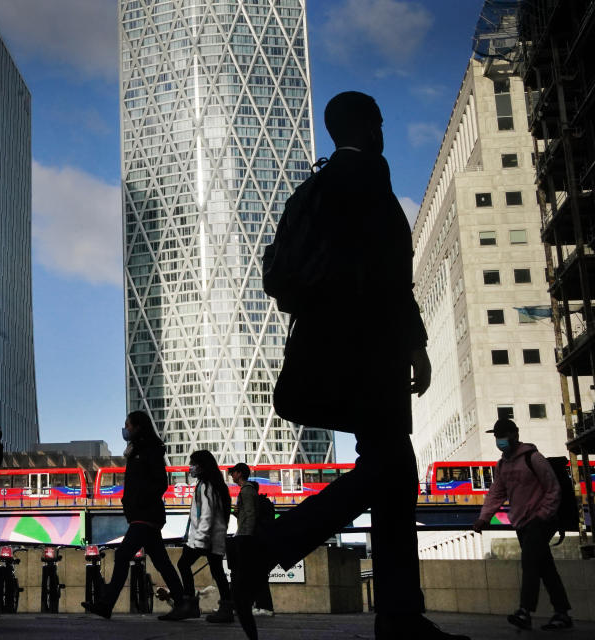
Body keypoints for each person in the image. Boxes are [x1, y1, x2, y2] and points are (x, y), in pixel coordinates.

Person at [261, 92, 469, 640]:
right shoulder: (369, 181)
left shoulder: (313, 188)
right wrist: (415, 344)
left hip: (325, 352)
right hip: (368, 354)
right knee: (393, 468)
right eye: (379, 120)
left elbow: (288, 275)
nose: (382, 129)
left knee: (392, 467)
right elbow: (391, 277)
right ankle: (269, 548)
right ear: (368, 126)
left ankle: (400, 616)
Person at [82, 411, 189, 620]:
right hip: (141, 514)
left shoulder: (150, 449)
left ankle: (107, 604)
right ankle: (183, 603)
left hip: (146, 514)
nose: (125, 429)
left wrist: (139, 500)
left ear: (138, 426)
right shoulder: (136, 450)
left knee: (123, 555)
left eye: (128, 425)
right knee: (161, 561)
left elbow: (160, 483)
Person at [473, 419, 573, 631]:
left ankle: (524, 611)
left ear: (515, 434)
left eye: (503, 435)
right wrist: (484, 517)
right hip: (521, 523)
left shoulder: (533, 458)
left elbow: (553, 488)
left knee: (529, 562)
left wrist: (542, 515)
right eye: (497, 436)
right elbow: (496, 493)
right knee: (545, 567)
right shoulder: (502, 465)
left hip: (540, 521)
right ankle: (562, 613)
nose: (499, 440)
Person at [175, 450, 232, 621]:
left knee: (183, 564)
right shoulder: (215, 485)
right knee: (217, 571)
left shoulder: (206, 486)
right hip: (215, 538)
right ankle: (227, 609)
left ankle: (190, 605)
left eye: (193, 464)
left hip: (205, 538)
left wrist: (198, 539)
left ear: (202, 466)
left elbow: (207, 514)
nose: (190, 467)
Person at [225, 463, 272, 639]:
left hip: (246, 536)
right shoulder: (246, 491)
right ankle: (242, 604)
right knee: (244, 573)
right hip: (244, 534)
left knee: (244, 573)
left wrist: (247, 535)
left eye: (233, 473)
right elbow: (247, 513)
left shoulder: (246, 490)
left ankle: (243, 605)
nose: (231, 476)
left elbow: (251, 514)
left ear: (239, 473)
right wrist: (238, 514)